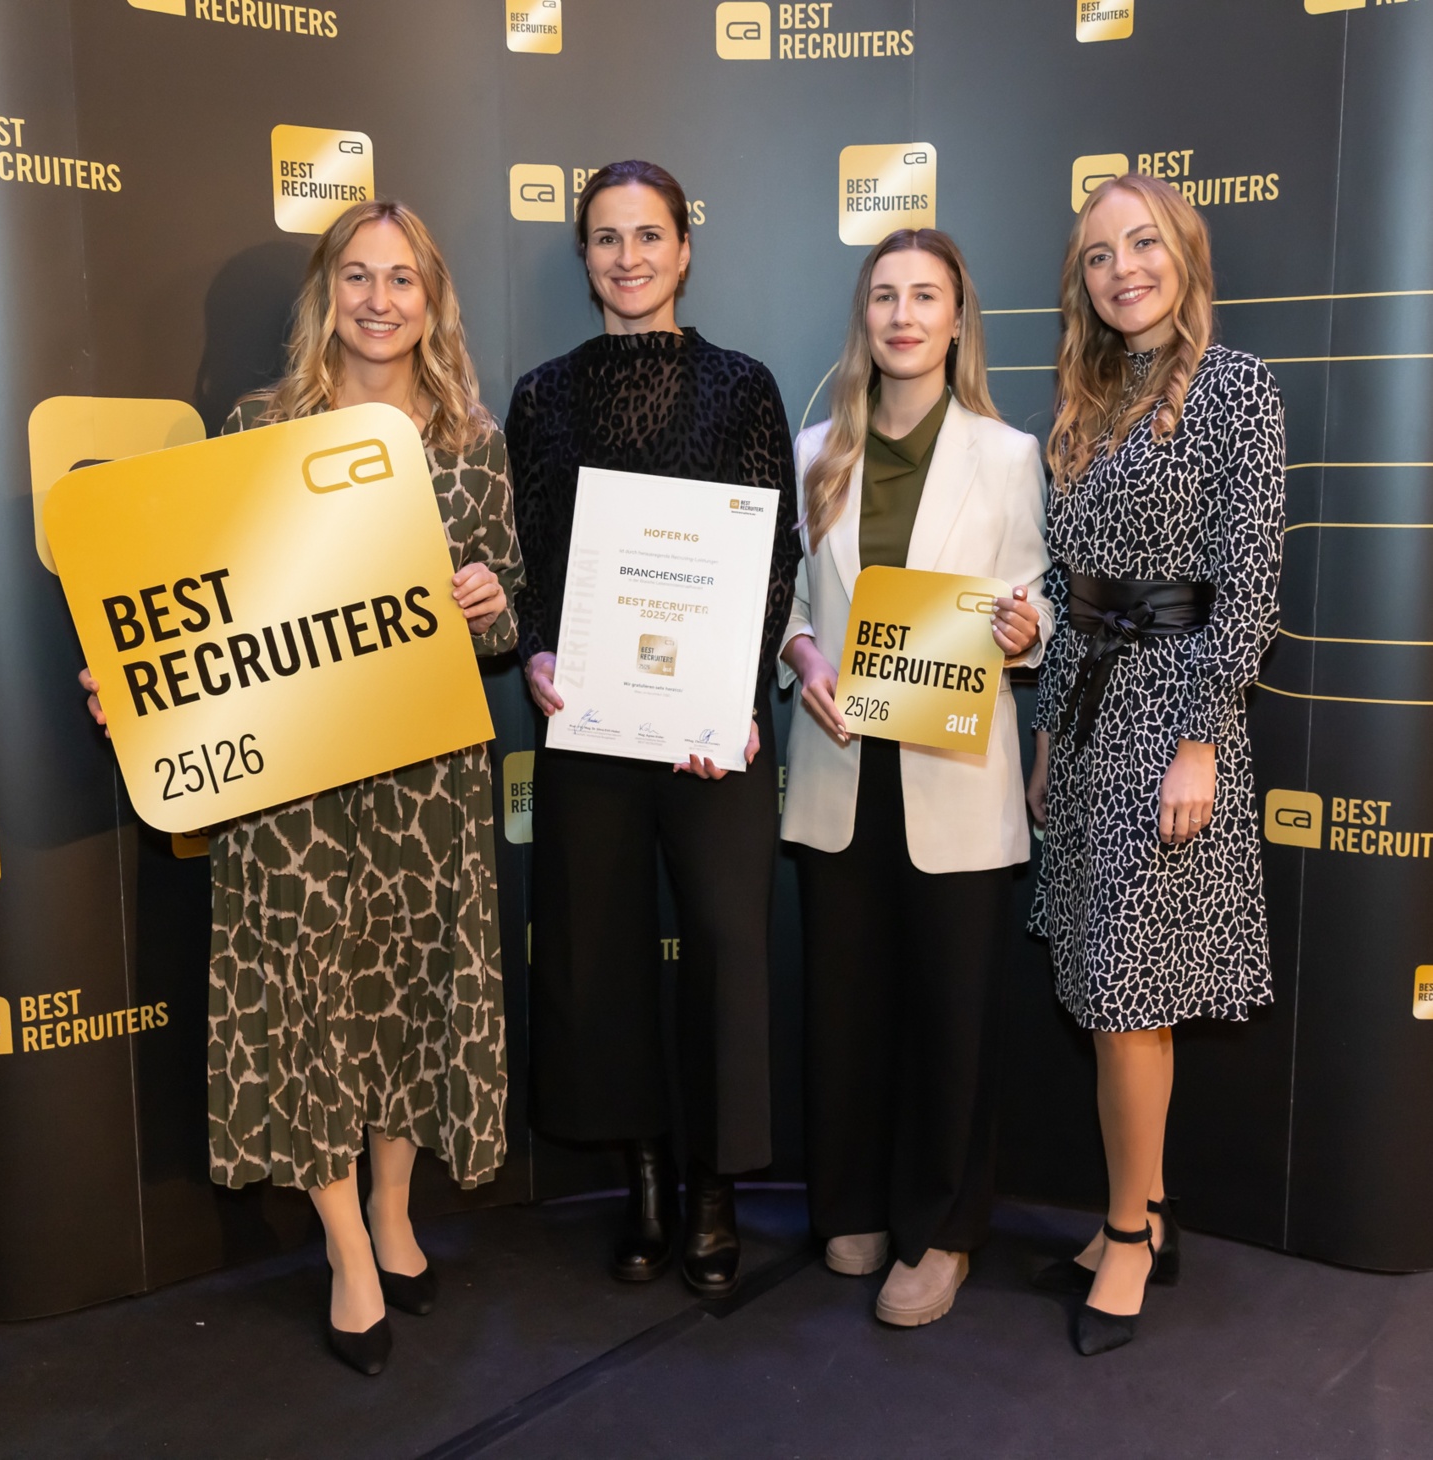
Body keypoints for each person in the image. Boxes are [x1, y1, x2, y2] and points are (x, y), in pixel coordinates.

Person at [81, 199, 523, 1375]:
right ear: (328, 294)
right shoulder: (258, 428)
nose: (381, 299)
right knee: (312, 1002)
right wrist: (136, 680)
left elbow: (505, 619)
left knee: (406, 994)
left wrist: (490, 604)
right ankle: (347, 1247)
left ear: (431, 300)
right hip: (297, 786)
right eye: (358, 276)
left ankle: (392, 1209)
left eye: (403, 279)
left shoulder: (472, 440)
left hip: (426, 777)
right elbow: (203, 606)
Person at [506, 160, 799, 1298]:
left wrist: (733, 692)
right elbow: (532, 555)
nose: (628, 257)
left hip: (711, 732)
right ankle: (644, 1185)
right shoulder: (541, 396)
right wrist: (538, 649)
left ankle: (714, 1190)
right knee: (598, 952)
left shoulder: (743, 385)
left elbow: (770, 553)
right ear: (585, 258)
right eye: (606, 238)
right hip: (589, 722)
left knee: (727, 950)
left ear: (684, 248)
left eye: (648, 236)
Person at [1026, 173, 1285, 1355]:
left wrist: (1198, 739)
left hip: (1175, 712)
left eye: (1142, 244)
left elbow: (1250, 581)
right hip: (1088, 719)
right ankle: (1146, 1208)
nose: (1122, 269)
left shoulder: (1236, 387)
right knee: (1104, 988)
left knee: (1132, 994)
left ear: (1184, 253)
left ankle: (1128, 1235)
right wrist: (1046, 733)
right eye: (1098, 255)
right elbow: (1065, 585)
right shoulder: (1087, 400)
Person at [778, 229, 1051, 1327]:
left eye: (924, 296)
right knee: (844, 1008)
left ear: (955, 319)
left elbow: (1031, 599)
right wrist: (803, 660)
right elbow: (793, 607)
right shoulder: (814, 452)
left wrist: (1026, 627)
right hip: (839, 766)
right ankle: (848, 1201)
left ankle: (941, 1233)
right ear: (866, 316)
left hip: (953, 770)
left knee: (951, 1017)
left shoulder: (1007, 453)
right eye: (885, 295)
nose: (903, 315)